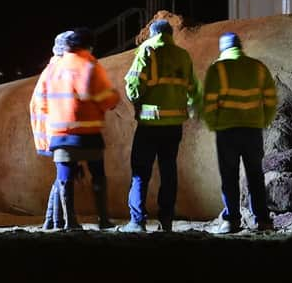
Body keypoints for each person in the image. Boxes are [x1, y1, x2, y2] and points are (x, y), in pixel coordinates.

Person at [118, 19, 202, 232]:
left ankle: (137, 221)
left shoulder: (147, 51)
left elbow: (134, 87)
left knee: (140, 171)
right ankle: (166, 222)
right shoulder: (183, 55)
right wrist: (190, 110)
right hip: (174, 125)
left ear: (153, 33)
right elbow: (193, 90)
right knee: (168, 170)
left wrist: (136, 101)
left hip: (149, 124)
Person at [43, 28, 120, 230]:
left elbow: (42, 100)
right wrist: (114, 98)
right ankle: (102, 219)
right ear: (89, 45)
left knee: (64, 178)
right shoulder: (89, 64)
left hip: (59, 135)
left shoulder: (53, 67)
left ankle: (70, 222)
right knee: (97, 174)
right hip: (87, 132)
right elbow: (102, 97)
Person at [202, 32, 277, 233]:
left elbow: (209, 102)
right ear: (239, 47)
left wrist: (213, 124)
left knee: (229, 177)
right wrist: (264, 120)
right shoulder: (258, 67)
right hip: (253, 131)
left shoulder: (217, 69)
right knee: (255, 176)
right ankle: (263, 220)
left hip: (227, 131)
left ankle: (231, 220)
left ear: (223, 48)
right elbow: (270, 99)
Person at [30, 30, 73, 230]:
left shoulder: (52, 67)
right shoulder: (60, 70)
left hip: (52, 131)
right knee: (64, 175)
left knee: (61, 176)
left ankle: (51, 220)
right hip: (58, 131)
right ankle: (58, 221)